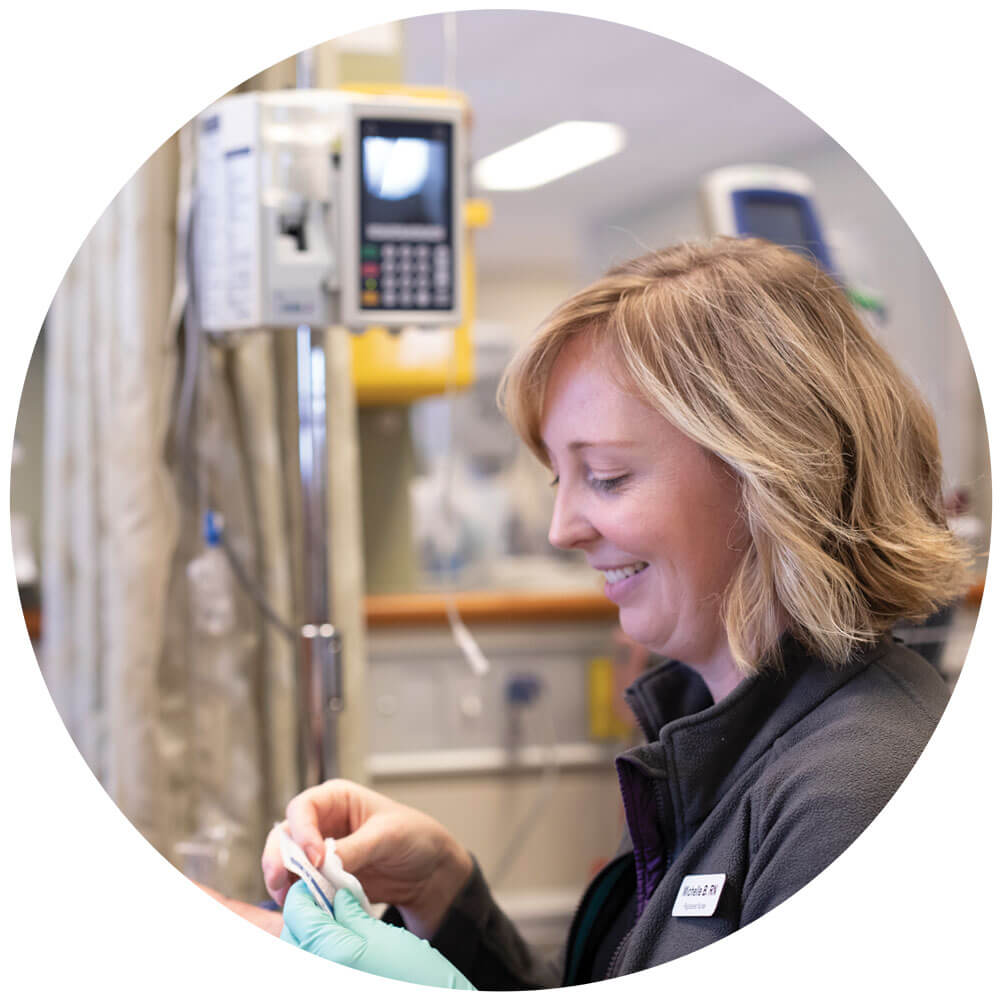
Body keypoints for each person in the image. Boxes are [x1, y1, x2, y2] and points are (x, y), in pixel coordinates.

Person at [262, 237, 970, 988]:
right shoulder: (728, 741)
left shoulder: (856, 792)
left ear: (772, 475)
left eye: (605, 477)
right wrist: (446, 893)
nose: (561, 529)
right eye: (559, 479)